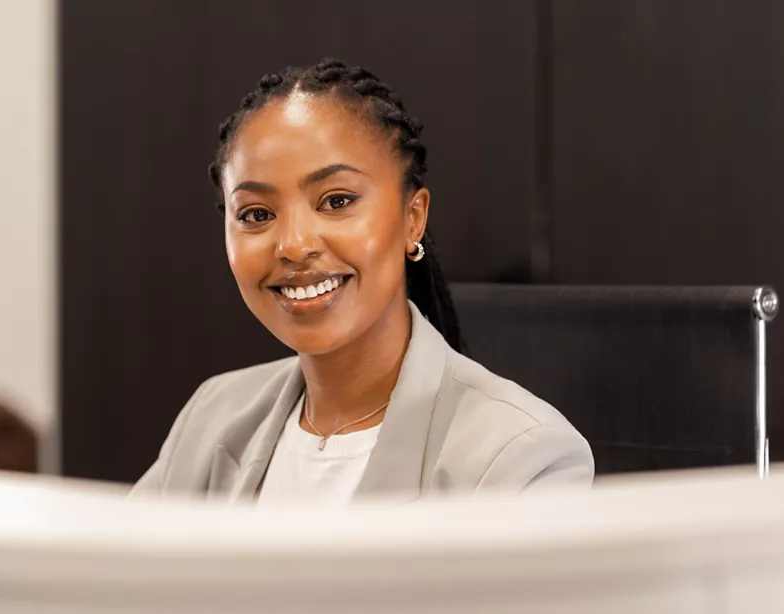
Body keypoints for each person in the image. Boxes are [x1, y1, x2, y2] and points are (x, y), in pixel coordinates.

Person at [131, 59, 593, 504]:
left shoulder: (520, 456)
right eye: (257, 214)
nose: (293, 245)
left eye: (336, 201)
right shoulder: (212, 414)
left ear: (413, 219)